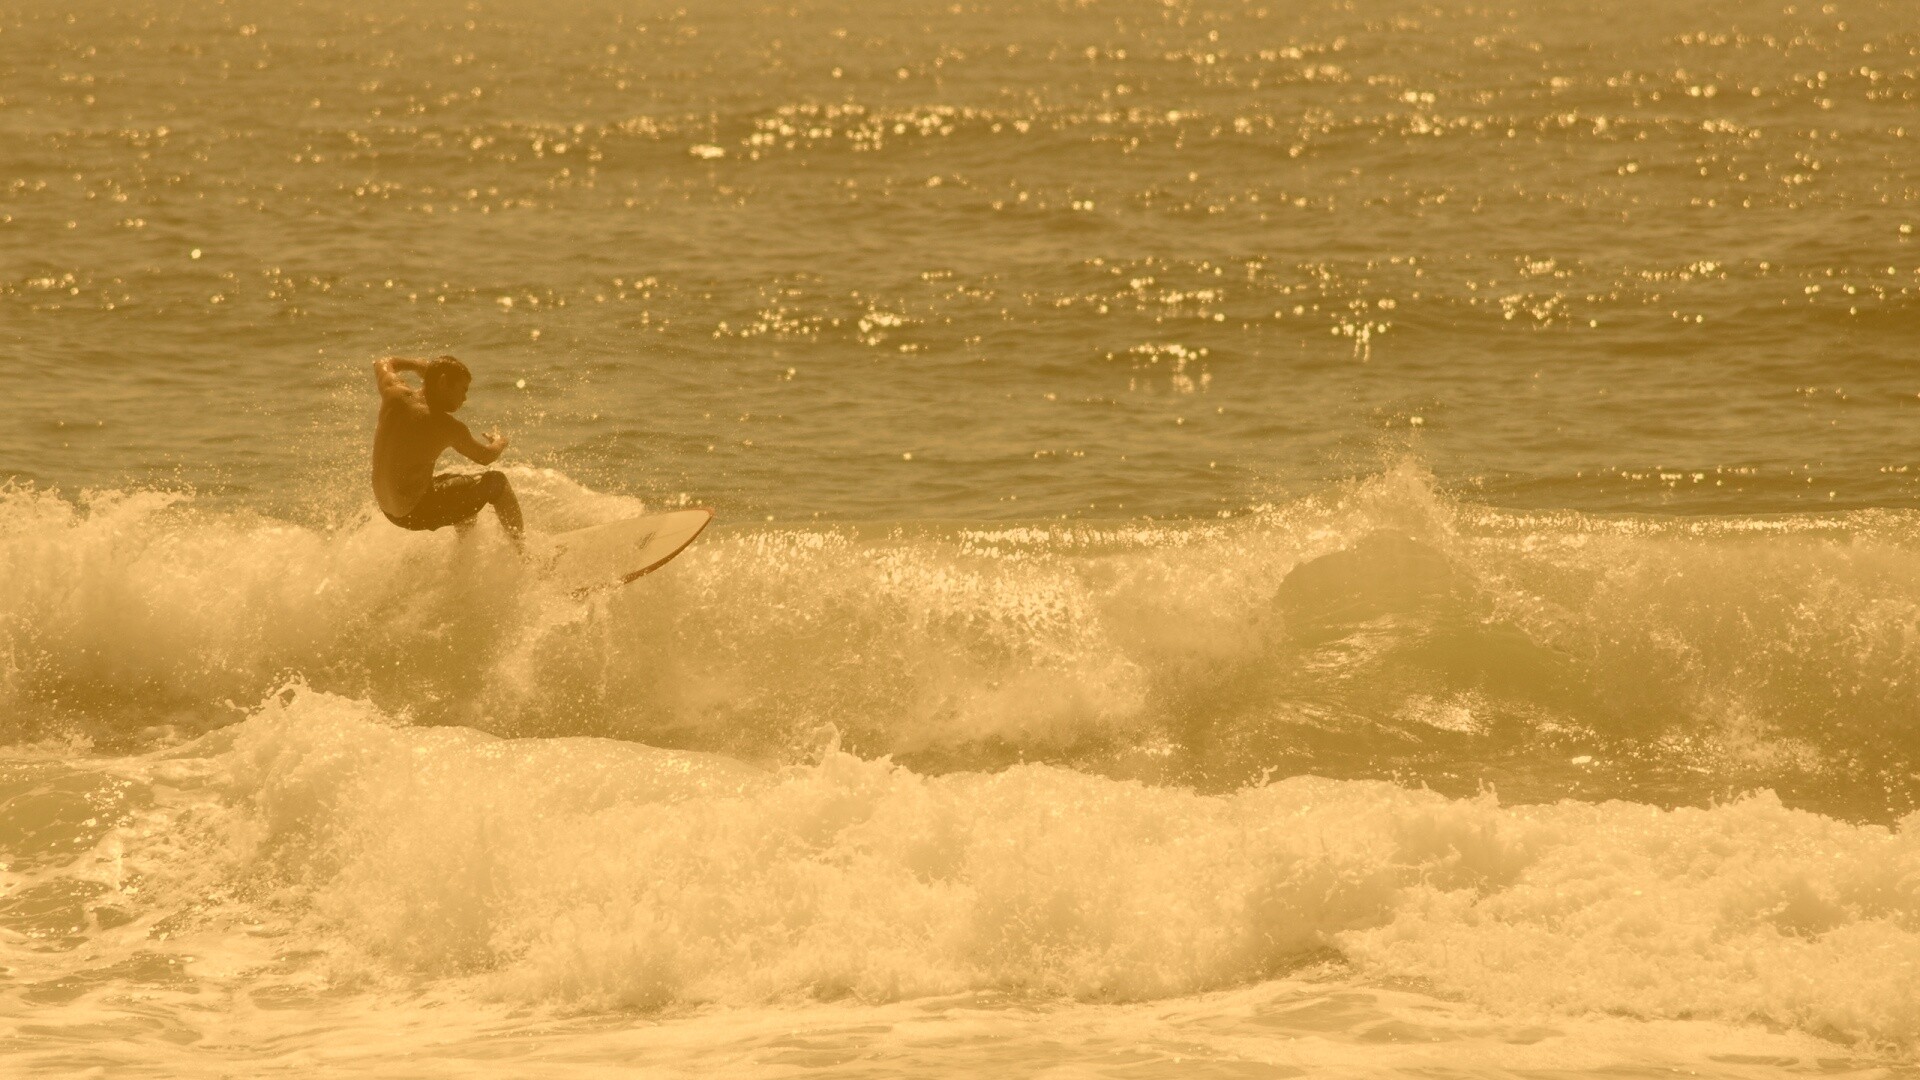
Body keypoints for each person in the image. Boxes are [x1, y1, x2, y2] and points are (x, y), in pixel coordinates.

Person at [370, 355, 524, 542]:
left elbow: (383, 362)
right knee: (496, 481)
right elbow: (486, 457)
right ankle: (522, 552)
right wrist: (499, 442)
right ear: (443, 382)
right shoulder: (447, 426)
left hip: (388, 509)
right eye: (463, 389)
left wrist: (418, 365)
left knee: (462, 484)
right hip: (416, 513)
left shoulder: (394, 393)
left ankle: (464, 551)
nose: (465, 398)